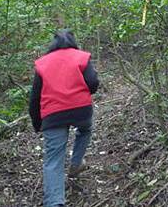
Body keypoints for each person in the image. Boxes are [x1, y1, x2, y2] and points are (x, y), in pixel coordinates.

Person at [29, 30, 99, 207]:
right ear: (73, 41)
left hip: (53, 115)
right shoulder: (81, 57)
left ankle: (54, 203)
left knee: (54, 160)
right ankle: (76, 163)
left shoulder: (42, 63)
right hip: (80, 110)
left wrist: (38, 123)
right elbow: (93, 83)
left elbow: (35, 98)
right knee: (85, 130)